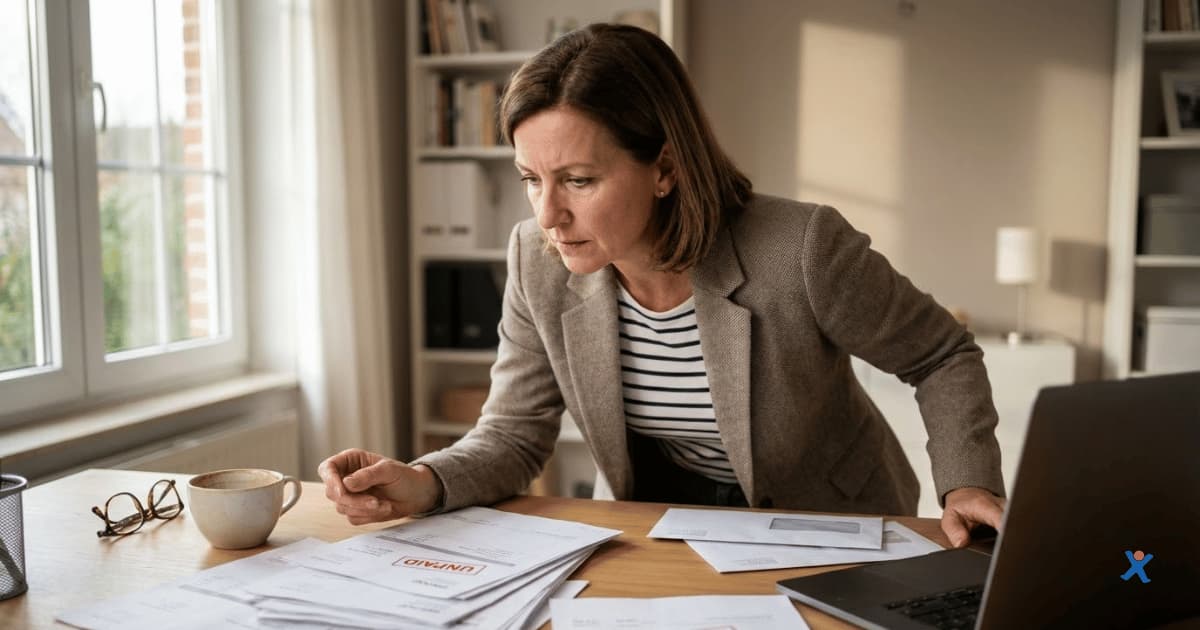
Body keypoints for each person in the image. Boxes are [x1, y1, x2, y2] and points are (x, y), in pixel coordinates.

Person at [319, 23, 1006, 548]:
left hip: (826, 520)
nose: (548, 215)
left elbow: (940, 354)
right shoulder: (537, 257)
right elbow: (513, 434)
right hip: (660, 523)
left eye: (579, 180)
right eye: (532, 179)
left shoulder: (801, 249)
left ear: (665, 168)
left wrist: (966, 481)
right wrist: (425, 481)